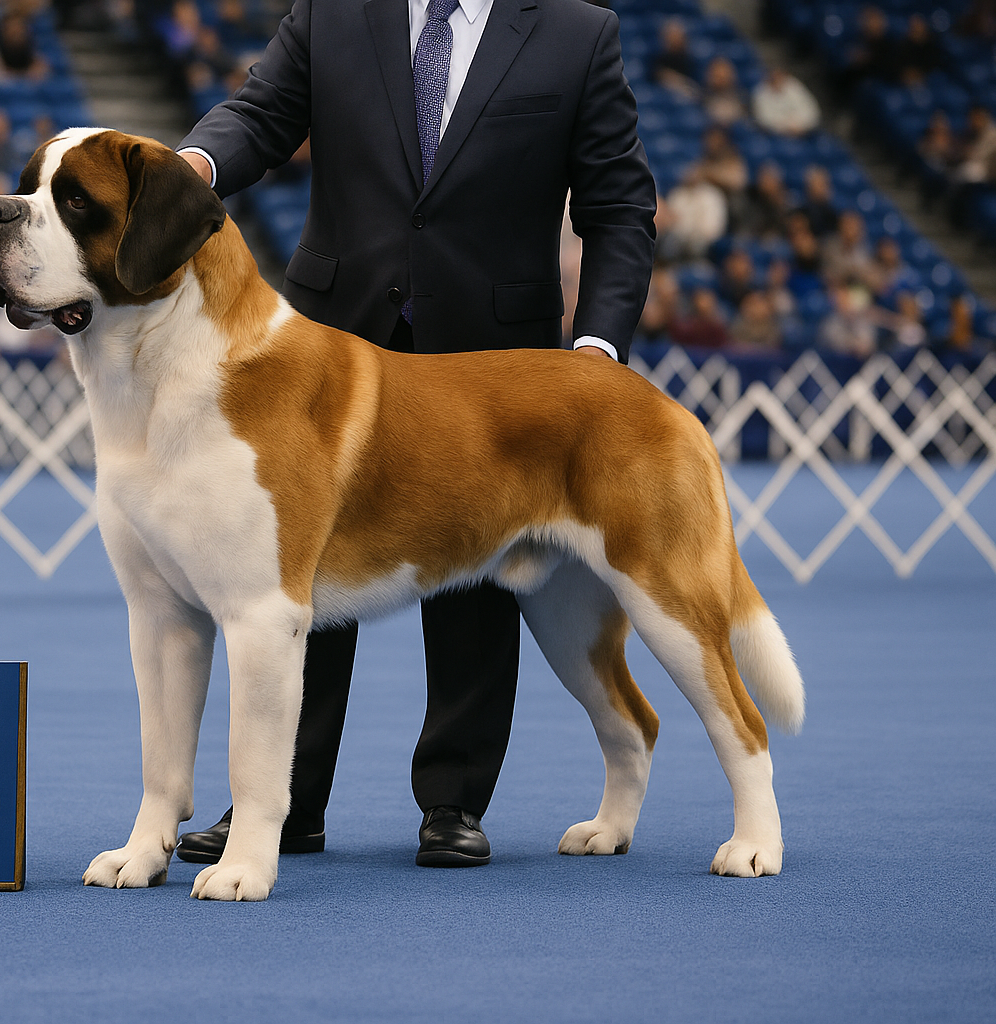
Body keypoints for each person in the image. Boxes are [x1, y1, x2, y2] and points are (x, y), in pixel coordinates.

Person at [172, 0, 655, 867]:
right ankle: (283, 806)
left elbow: (618, 208)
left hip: (494, 357)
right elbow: (259, 114)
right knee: (291, 579)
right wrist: (196, 163)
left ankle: (454, 802)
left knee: (478, 578)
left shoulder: (580, 32)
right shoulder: (331, 11)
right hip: (330, 344)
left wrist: (597, 355)